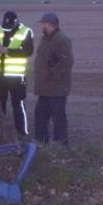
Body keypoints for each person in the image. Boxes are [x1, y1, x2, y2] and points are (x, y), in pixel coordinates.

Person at [33, 12, 73, 145]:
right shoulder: (46, 38)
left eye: (43, 24)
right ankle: (41, 144)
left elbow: (66, 62)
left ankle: (61, 145)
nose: (42, 26)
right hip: (45, 89)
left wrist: (51, 75)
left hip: (56, 89)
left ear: (50, 24)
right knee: (40, 116)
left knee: (58, 118)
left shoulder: (62, 39)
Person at [0, 10, 34, 136]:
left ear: (16, 23)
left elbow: (28, 51)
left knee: (18, 105)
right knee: (0, 106)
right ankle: (0, 133)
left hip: (17, 77)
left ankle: (22, 133)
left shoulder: (26, 31)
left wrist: (7, 50)